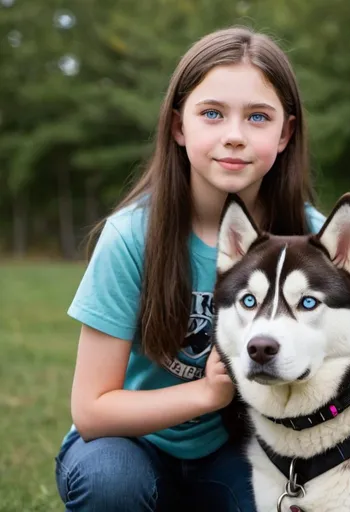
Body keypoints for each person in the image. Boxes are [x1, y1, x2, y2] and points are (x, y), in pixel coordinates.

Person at [54, 25, 326, 512]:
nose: (235, 136)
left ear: (285, 133)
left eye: (258, 117)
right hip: (129, 445)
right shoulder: (130, 237)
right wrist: (210, 392)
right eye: (213, 114)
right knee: (111, 483)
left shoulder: (313, 239)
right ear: (180, 127)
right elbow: (91, 410)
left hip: (244, 450)